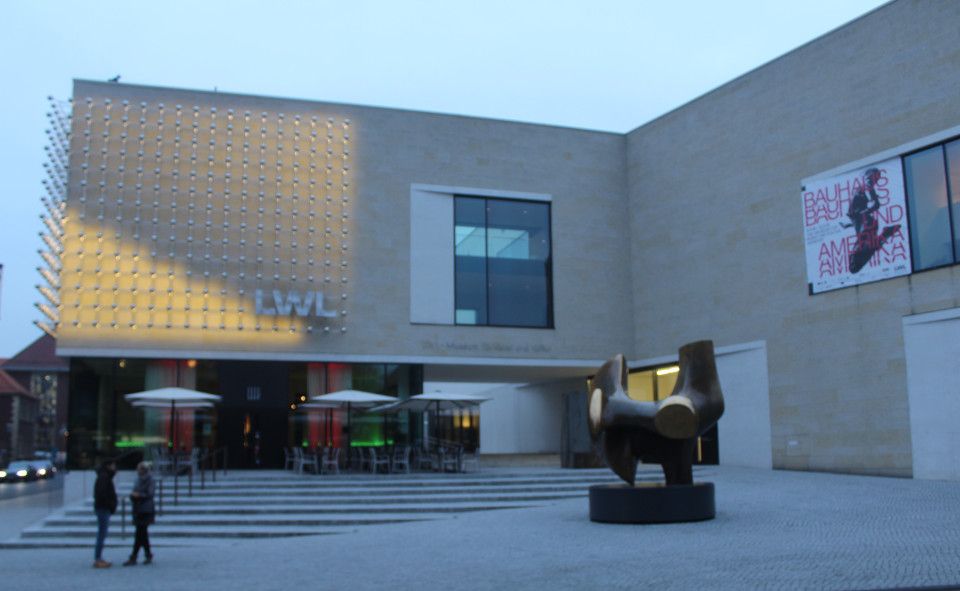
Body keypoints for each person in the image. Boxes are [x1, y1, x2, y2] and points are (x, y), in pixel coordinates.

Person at [123, 461, 155, 566]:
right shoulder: (137, 480)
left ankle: (134, 556)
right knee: (142, 534)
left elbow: (150, 494)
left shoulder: (150, 480)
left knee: (140, 533)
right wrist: (133, 496)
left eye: (140, 469)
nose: (138, 471)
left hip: (145, 509)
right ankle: (147, 554)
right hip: (138, 508)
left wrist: (139, 495)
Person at [93, 459, 118, 569]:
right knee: (101, 534)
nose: (115, 468)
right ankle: (98, 559)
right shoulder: (104, 477)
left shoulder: (104, 476)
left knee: (102, 533)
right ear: (109, 466)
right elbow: (102, 494)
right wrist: (110, 504)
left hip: (103, 507)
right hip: (103, 508)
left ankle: (99, 558)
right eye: (113, 465)